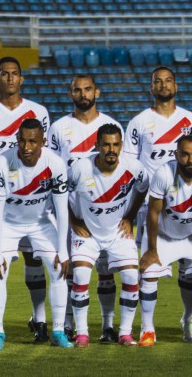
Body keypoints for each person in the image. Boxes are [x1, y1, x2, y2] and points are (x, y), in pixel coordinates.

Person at [0, 56, 51, 343]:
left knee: (34, 258)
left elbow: (45, 157)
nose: (10, 79)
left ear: (21, 79)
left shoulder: (38, 112)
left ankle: (40, 320)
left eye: (15, 74)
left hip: (32, 199)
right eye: (4, 74)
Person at [123, 66, 192, 342]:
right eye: (157, 81)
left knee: (189, 268)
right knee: (149, 267)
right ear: (151, 87)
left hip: (187, 205)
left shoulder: (191, 120)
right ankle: (147, 327)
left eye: (168, 81)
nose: (163, 85)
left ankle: (189, 319)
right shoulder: (138, 123)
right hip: (151, 207)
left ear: (176, 85)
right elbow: (131, 165)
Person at [48, 74, 123, 342]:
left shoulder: (110, 126)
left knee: (106, 270)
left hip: (103, 211)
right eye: (77, 90)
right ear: (71, 94)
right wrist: (67, 217)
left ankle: (107, 326)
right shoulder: (58, 128)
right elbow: (54, 172)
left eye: (88, 89)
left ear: (97, 92)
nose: (83, 94)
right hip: (70, 210)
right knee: (70, 269)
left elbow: (119, 172)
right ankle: (68, 324)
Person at [0, 118, 73, 350]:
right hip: (7, 223)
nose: (26, 147)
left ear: (43, 142)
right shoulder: (2, 162)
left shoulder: (55, 164)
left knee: (58, 269)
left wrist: (64, 251)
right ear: (17, 140)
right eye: (22, 141)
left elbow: (62, 209)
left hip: (41, 223)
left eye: (33, 142)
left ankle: (57, 331)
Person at [138, 135, 192, 346]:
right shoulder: (164, 174)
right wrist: (151, 250)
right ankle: (148, 331)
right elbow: (152, 213)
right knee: (149, 274)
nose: (190, 160)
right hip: (162, 235)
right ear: (177, 155)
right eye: (185, 154)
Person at [67, 124, 146, 347]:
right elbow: (60, 192)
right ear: (97, 145)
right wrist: (74, 221)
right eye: (106, 144)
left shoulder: (133, 167)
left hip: (117, 233)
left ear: (121, 145)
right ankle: (82, 334)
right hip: (88, 233)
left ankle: (125, 333)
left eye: (115, 144)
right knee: (81, 274)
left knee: (131, 277)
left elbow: (143, 187)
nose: (111, 149)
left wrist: (130, 216)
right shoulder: (80, 168)